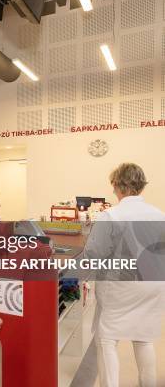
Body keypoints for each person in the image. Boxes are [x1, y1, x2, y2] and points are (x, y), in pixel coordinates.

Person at [84, 163, 165, 387]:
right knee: (144, 338)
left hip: (121, 286)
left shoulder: (111, 215)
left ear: (117, 185)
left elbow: (94, 253)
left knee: (107, 339)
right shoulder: (160, 215)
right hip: (153, 285)